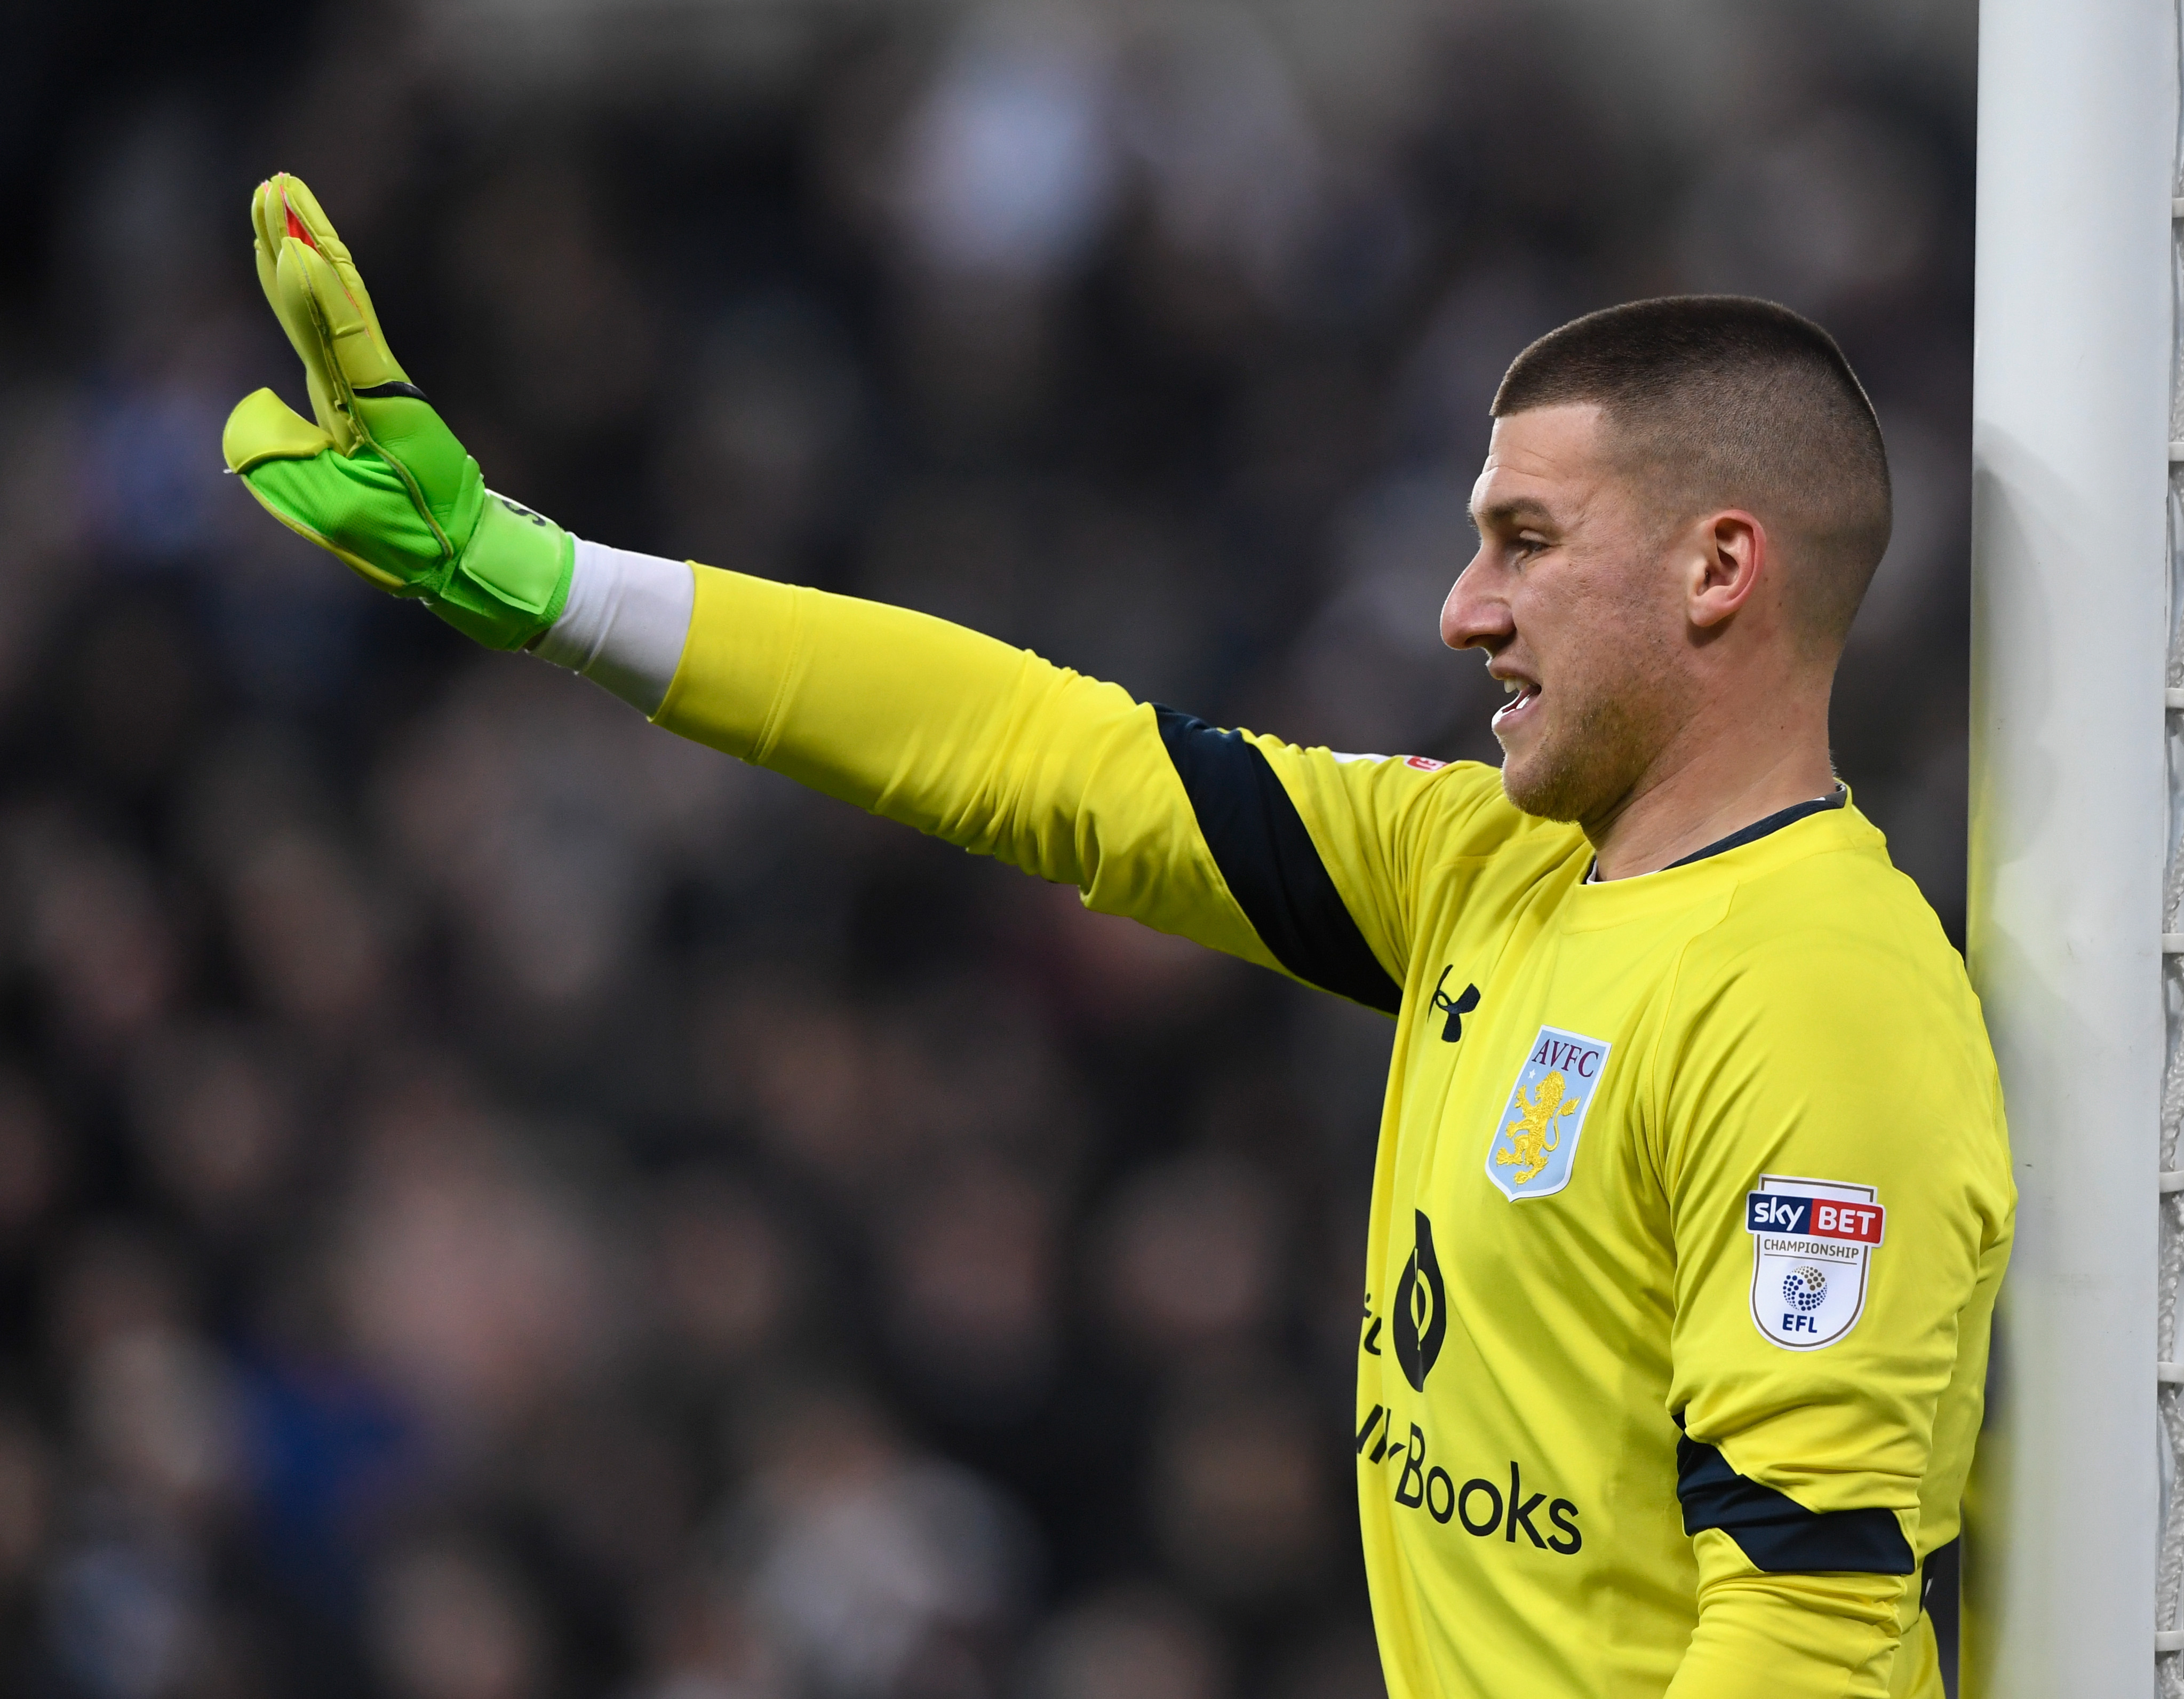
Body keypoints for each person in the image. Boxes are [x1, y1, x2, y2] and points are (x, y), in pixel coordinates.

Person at [222, 172, 2013, 1698]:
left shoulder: (1818, 1004)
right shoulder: (1487, 869)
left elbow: (1810, 1628)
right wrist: (542, 581)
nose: (1466, 609)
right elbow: (1028, 749)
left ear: (1721, 570)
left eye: (1527, 542)